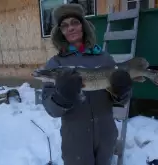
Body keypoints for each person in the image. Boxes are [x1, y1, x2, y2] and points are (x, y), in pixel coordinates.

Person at [42, 3, 132, 165]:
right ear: (60, 32)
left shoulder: (104, 58)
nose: (70, 28)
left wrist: (122, 91)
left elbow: (120, 100)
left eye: (75, 22)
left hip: (106, 136)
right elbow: (51, 109)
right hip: (75, 140)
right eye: (64, 25)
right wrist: (62, 97)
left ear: (83, 26)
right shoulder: (55, 64)